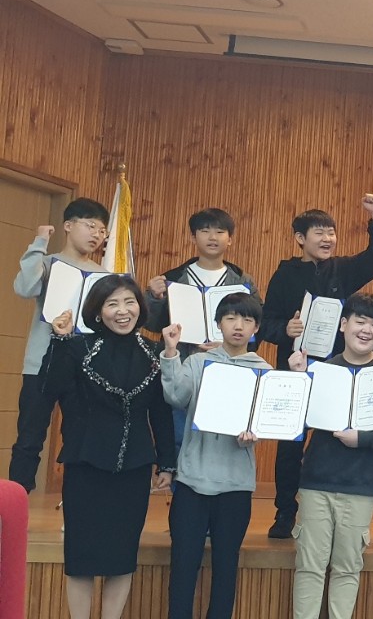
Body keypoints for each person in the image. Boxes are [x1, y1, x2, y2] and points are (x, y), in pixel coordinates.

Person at [44, 276, 175, 619]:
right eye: (112, 304)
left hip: (134, 467)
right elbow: (50, 389)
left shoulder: (153, 353)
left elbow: (161, 412)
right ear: (98, 311)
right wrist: (58, 341)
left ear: (140, 308)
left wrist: (167, 462)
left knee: (122, 557)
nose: (122, 311)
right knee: (81, 557)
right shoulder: (78, 347)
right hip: (86, 462)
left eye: (129, 302)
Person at [260, 195, 373, 539]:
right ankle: (285, 511)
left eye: (331, 232)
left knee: (333, 439)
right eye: (319, 232)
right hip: (296, 372)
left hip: (335, 373)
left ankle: (329, 509)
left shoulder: (342, 270)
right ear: (300, 238)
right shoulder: (284, 275)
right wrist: (285, 329)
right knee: (290, 445)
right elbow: (265, 322)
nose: (327, 238)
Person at [288, 293, 373, 619]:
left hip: (361, 484)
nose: (366, 330)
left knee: (347, 568)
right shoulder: (323, 370)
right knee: (309, 566)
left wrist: (364, 439)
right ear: (344, 324)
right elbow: (296, 421)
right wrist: (299, 379)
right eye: (360, 321)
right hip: (317, 482)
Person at [159, 293, 267, 619]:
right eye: (231, 318)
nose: (238, 325)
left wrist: (253, 435)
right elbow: (175, 396)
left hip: (236, 485)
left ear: (256, 328)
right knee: (183, 565)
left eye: (247, 319)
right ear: (218, 323)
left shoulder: (264, 372)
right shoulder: (198, 362)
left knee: (226, 566)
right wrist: (171, 352)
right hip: (192, 482)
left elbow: (264, 424)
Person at [143, 207, 262, 479]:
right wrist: (153, 297)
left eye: (220, 231)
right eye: (205, 231)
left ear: (230, 239)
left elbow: (257, 324)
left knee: (226, 438)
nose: (212, 237)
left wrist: (228, 345)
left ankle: (220, 491)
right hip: (186, 369)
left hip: (228, 372)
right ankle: (183, 493)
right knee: (180, 437)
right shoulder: (174, 277)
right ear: (193, 237)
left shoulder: (242, 281)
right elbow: (152, 324)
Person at [8, 197, 109, 492]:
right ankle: (14, 506)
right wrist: (39, 243)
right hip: (42, 363)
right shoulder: (47, 263)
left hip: (84, 367)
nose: (96, 234)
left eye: (102, 230)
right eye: (90, 226)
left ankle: (76, 503)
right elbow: (24, 288)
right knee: (29, 439)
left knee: (79, 438)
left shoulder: (104, 276)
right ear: (68, 225)